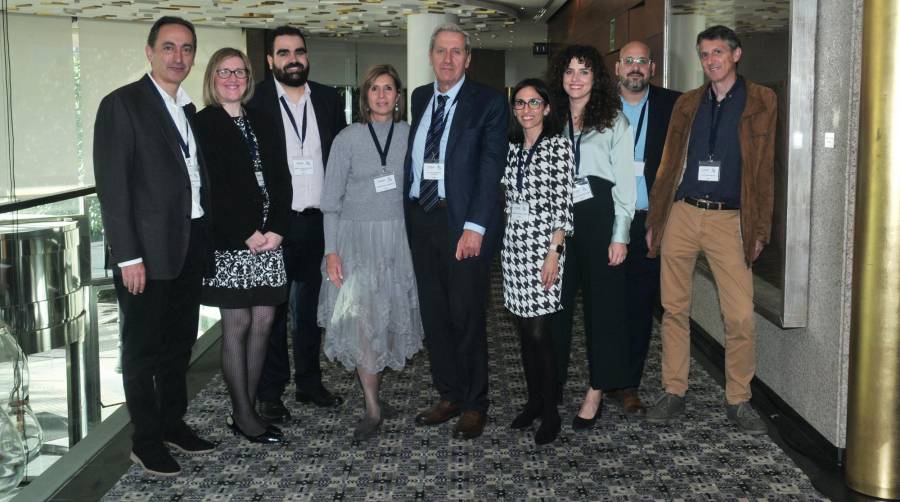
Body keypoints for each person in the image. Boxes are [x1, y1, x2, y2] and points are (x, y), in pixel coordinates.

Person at [93, 16, 215, 476]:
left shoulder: (186, 108)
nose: (178, 57)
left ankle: (171, 424)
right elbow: (114, 187)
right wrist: (128, 255)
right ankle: (145, 440)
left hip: (187, 246)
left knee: (178, 345)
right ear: (150, 52)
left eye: (186, 48)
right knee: (141, 352)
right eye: (169, 47)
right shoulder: (122, 105)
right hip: (144, 253)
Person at [645, 25, 776, 434]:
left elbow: (765, 169)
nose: (711, 61)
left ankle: (738, 399)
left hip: (730, 219)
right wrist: (656, 219)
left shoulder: (760, 100)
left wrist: (759, 228)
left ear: (736, 55)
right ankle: (674, 391)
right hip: (683, 212)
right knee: (674, 310)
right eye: (704, 55)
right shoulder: (688, 103)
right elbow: (668, 165)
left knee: (739, 316)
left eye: (718, 52)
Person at [404, 23, 509, 440]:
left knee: (467, 316)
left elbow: (490, 168)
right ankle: (448, 394)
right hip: (422, 219)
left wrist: (476, 227)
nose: (448, 59)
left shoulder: (488, 102)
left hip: (463, 224)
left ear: (468, 58)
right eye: (441, 51)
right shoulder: (418, 98)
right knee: (435, 314)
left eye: (456, 52)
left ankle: (474, 403)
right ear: (430, 55)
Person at [247, 25, 348, 423]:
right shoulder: (254, 101)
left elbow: (339, 163)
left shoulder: (326, 98)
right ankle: (271, 392)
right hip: (275, 225)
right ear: (270, 60)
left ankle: (309, 383)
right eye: (284, 53)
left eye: (299, 52)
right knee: (271, 312)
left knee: (309, 311)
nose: (293, 59)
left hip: (317, 221)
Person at [318, 64, 423, 441]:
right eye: (374, 89)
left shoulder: (412, 135)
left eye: (389, 89)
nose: (381, 96)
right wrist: (332, 252)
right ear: (365, 97)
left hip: (397, 242)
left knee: (387, 318)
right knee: (364, 323)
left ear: (398, 97)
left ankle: (373, 391)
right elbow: (330, 201)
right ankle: (373, 408)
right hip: (355, 242)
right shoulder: (347, 138)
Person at [194, 48, 291, 444]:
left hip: (270, 241)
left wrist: (278, 228)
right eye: (224, 72)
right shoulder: (204, 124)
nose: (232, 78)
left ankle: (246, 408)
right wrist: (245, 231)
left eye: (239, 71)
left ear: (249, 78)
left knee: (265, 322)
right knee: (238, 324)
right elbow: (209, 189)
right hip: (232, 242)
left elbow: (282, 178)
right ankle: (244, 414)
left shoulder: (264, 121)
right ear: (212, 79)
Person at [548, 44, 635, 431]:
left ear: (596, 77)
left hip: (600, 218)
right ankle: (553, 383)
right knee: (555, 307)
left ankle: (597, 388)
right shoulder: (550, 118)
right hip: (559, 222)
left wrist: (620, 235)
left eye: (584, 71)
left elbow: (626, 185)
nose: (575, 78)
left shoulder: (614, 120)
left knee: (603, 310)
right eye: (569, 71)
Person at [609, 41, 681, 416]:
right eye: (629, 61)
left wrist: (665, 218)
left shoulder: (674, 105)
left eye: (642, 61)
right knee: (606, 304)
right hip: (606, 222)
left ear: (653, 67)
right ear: (618, 68)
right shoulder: (599, 106)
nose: (635, 67)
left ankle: (628, 385)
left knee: (638, 306)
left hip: (650, 222)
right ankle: (603, 376)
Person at [501, 78, 573, 445]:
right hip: (514, 249)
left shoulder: (558, 147)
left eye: (533, 103)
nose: (526, 110)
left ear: (546, 108)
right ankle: (533, 402)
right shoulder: (513, 148)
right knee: (524, 335)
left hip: (545, 251)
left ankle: (551, 412)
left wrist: (553, 253)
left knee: (540, 334)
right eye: (519, 103)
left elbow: (563, 204)